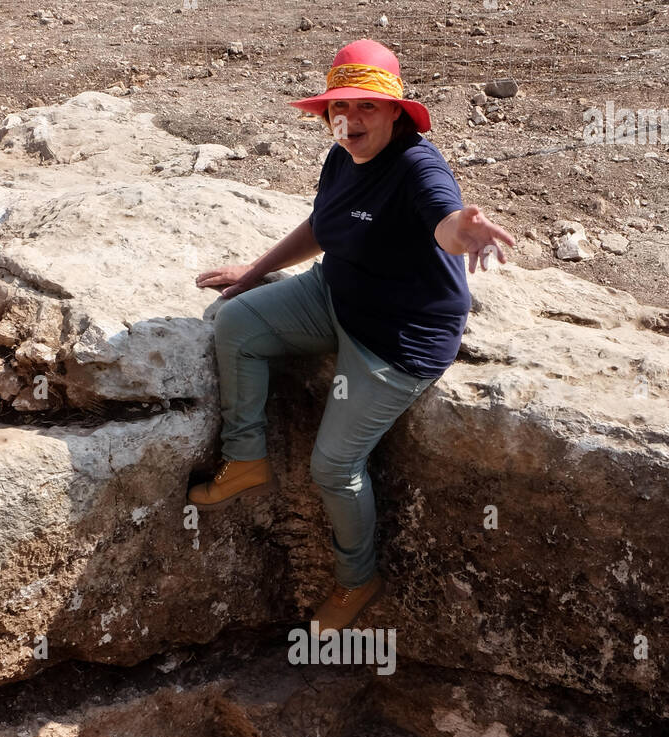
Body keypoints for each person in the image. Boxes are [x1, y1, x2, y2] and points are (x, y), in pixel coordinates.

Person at [190, 38, 514, 632]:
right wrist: (256, 271)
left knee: (333, 468)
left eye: (368, 105)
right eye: (341, 106)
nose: (352, 117)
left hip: (397, 337)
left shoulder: (419, 167)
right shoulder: (342, 155)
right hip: (335, 293)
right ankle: (245, 458)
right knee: (237, 321)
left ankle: (356, 581)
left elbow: (444, 220)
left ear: (395, 111)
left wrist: (462, 231)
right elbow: (324, 222)